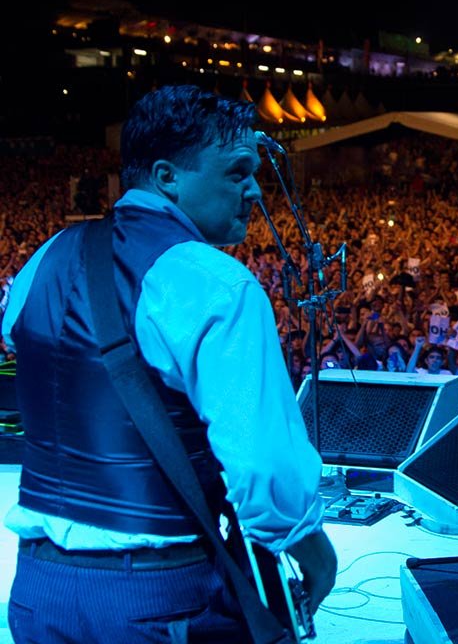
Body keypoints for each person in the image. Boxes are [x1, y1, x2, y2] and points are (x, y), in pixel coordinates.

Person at [1, 86, 336, 642]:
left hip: (38, 592)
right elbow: (264, 468)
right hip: (159, 598)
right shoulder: (217, 285)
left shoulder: (46, 256)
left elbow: (25, 343)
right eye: (236, 172)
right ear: (166, 177)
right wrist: (317, 556)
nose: (255, 190)